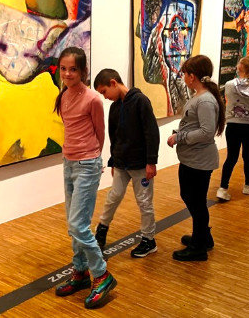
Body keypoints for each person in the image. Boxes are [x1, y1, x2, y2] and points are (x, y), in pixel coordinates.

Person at [53, 47, 117, 309]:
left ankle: (101, 274)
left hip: (87, 164)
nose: (67, 74)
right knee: (73, 224)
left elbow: (100, 133)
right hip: (68, 163)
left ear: (83, 71)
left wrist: (94, 160)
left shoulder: (93, 99)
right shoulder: (63, 96)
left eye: (73, 69)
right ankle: (80, 271)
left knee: (78, 225)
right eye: (64, 68)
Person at [93, 69, 160, 258]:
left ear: (113, 83)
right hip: (122, 164)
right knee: (113, 197)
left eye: (104, 91)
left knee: (144, 202)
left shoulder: (141, 101)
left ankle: (149, 240)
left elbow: (151, 133)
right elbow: (114, 136)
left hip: (140, 165)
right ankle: (101, 231)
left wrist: (151, 162)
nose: (105, 97)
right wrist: (114, 161)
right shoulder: (115, 107)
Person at [167, 55, 225, 261]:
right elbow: (195, 126)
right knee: (191, 197)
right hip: (192, 158)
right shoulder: (199, 97)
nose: (182, 76)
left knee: (196, 201)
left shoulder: (205, 100)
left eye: (184, 73)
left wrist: (179, 137)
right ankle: (203, 236)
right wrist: (180, 133)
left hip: (199, 161)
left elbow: (207, 132)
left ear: (192, 76)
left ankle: (199, 246)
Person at [216, 56, 249, 201]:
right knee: (248, 156)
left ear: (240, 67)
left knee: (231, 157)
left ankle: (223, 188)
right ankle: (248, 185)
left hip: (233, 126)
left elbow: (228, 100)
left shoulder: (229, 85)